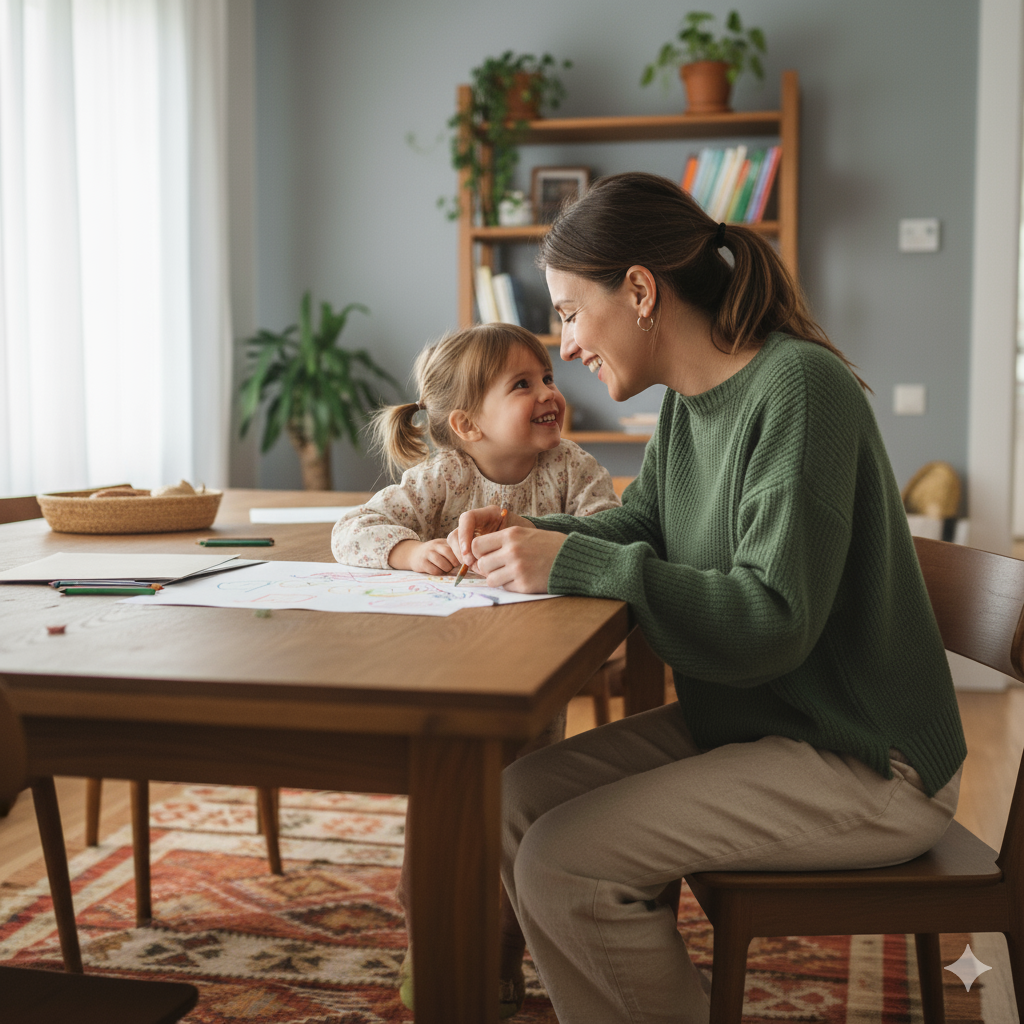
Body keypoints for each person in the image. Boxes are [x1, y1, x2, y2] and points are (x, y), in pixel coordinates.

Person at [449, 172, 967, 1024]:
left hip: (864, 755)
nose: (566, 343)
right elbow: (645, 526)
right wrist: (534, 540)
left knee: (563, 863)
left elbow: (771, 621)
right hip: (765, 717)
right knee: (514, 801)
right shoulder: (692, 405)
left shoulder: (799, 389)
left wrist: (572, 565)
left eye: (572, 312)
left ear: (641, 291)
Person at [331, 321, 621, 1015]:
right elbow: (354, 530)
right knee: (434, 842)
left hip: (529, 692)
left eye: (547, 377)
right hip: (441, 685)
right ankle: (429, 953)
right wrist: (406, 552)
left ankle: (502, 962)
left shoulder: (574, 471)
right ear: (467, 424)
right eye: (522, 385)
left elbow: (614, 530)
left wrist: (548, 545)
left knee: (515, 848)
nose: (549, 392)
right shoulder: (441, 478)